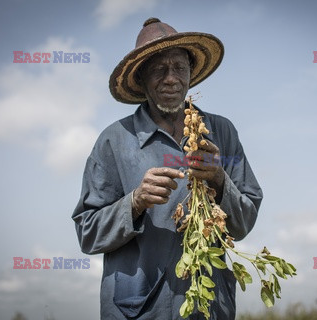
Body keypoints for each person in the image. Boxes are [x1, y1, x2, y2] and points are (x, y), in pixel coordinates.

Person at [72, 17, 263, 319]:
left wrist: (219, 178)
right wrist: (134, 202)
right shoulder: (114, 140)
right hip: (139, 309)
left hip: (208, 306)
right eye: (159, 69)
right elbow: (87, 233)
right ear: (142, 79)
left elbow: (244, 221)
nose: (171, 78)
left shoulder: (221, 132)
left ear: (191, 74)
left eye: (179, 68)